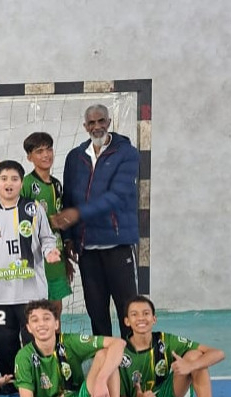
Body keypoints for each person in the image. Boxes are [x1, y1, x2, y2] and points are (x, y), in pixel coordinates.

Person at [0, 160, 61, 378]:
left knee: (34, 341)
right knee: (3, 343)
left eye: (14, 179)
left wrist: (49, 251)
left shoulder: (33, 208)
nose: (9, 183)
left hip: (32, 295)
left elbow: (47, 238)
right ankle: (9, 384)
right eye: (4, 179)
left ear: (21, 183)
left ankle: (38, 382)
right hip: (0, 295)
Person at [53, 104, 139, 338]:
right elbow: (68, 198)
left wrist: (78, 214)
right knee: (96, 310)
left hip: (117, 245)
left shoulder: (127, 153)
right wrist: (69, 237)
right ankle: (105, 360)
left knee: (127, 309)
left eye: (101, 121)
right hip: (87, 248)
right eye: (91, 123)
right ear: (85, 126)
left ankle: (130, 362)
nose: (97, 126)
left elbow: (116, 196)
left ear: (109, 122)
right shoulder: (75, 157)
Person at [118, 296, 229, 397]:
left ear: (154, 319)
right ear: (127, 321)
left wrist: (190, 365)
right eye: (134, 314)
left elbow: (218, 353)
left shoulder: (165, 340)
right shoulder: (119, 352)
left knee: (195, 355)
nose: (141, 318)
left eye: (146, 313)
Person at [21, 132, 74, 318]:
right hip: (34, 257)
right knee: (35, 310)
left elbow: (61, 224)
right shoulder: (26, 184)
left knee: (56, 307)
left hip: (56, 256)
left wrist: (65, 256)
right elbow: (19, 222)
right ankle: (32, 345)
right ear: (30, 157)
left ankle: (55, 345)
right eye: (39, 151)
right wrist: (44, 222)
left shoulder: (57, 185)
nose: (46, 155)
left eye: (49, 149)